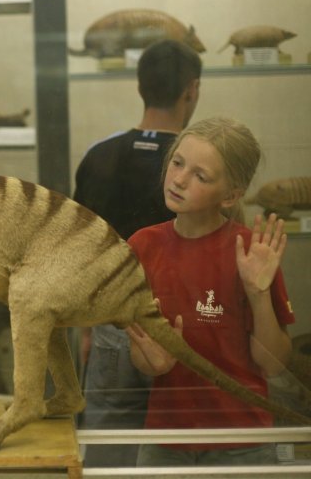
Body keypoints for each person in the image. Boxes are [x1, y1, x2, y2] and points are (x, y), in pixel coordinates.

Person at [126, 117, 294, 466]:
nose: (180, 180)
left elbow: (274, 363)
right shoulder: (143, 246)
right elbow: (141, 355)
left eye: (200, 176)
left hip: (242, 440)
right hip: (166, 438)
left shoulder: (250, 252)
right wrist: (151, 361)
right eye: (177, 163)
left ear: (231, 195)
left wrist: (258, 294)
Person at [74, 39, 202, 467]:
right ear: (192, 90)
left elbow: (81, 251)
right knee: (189, 452)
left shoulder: (99, 156)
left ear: (139, 86)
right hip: (185, 328)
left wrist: (88, 329)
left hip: (114, 324)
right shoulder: (201, 167)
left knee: (110, 452)